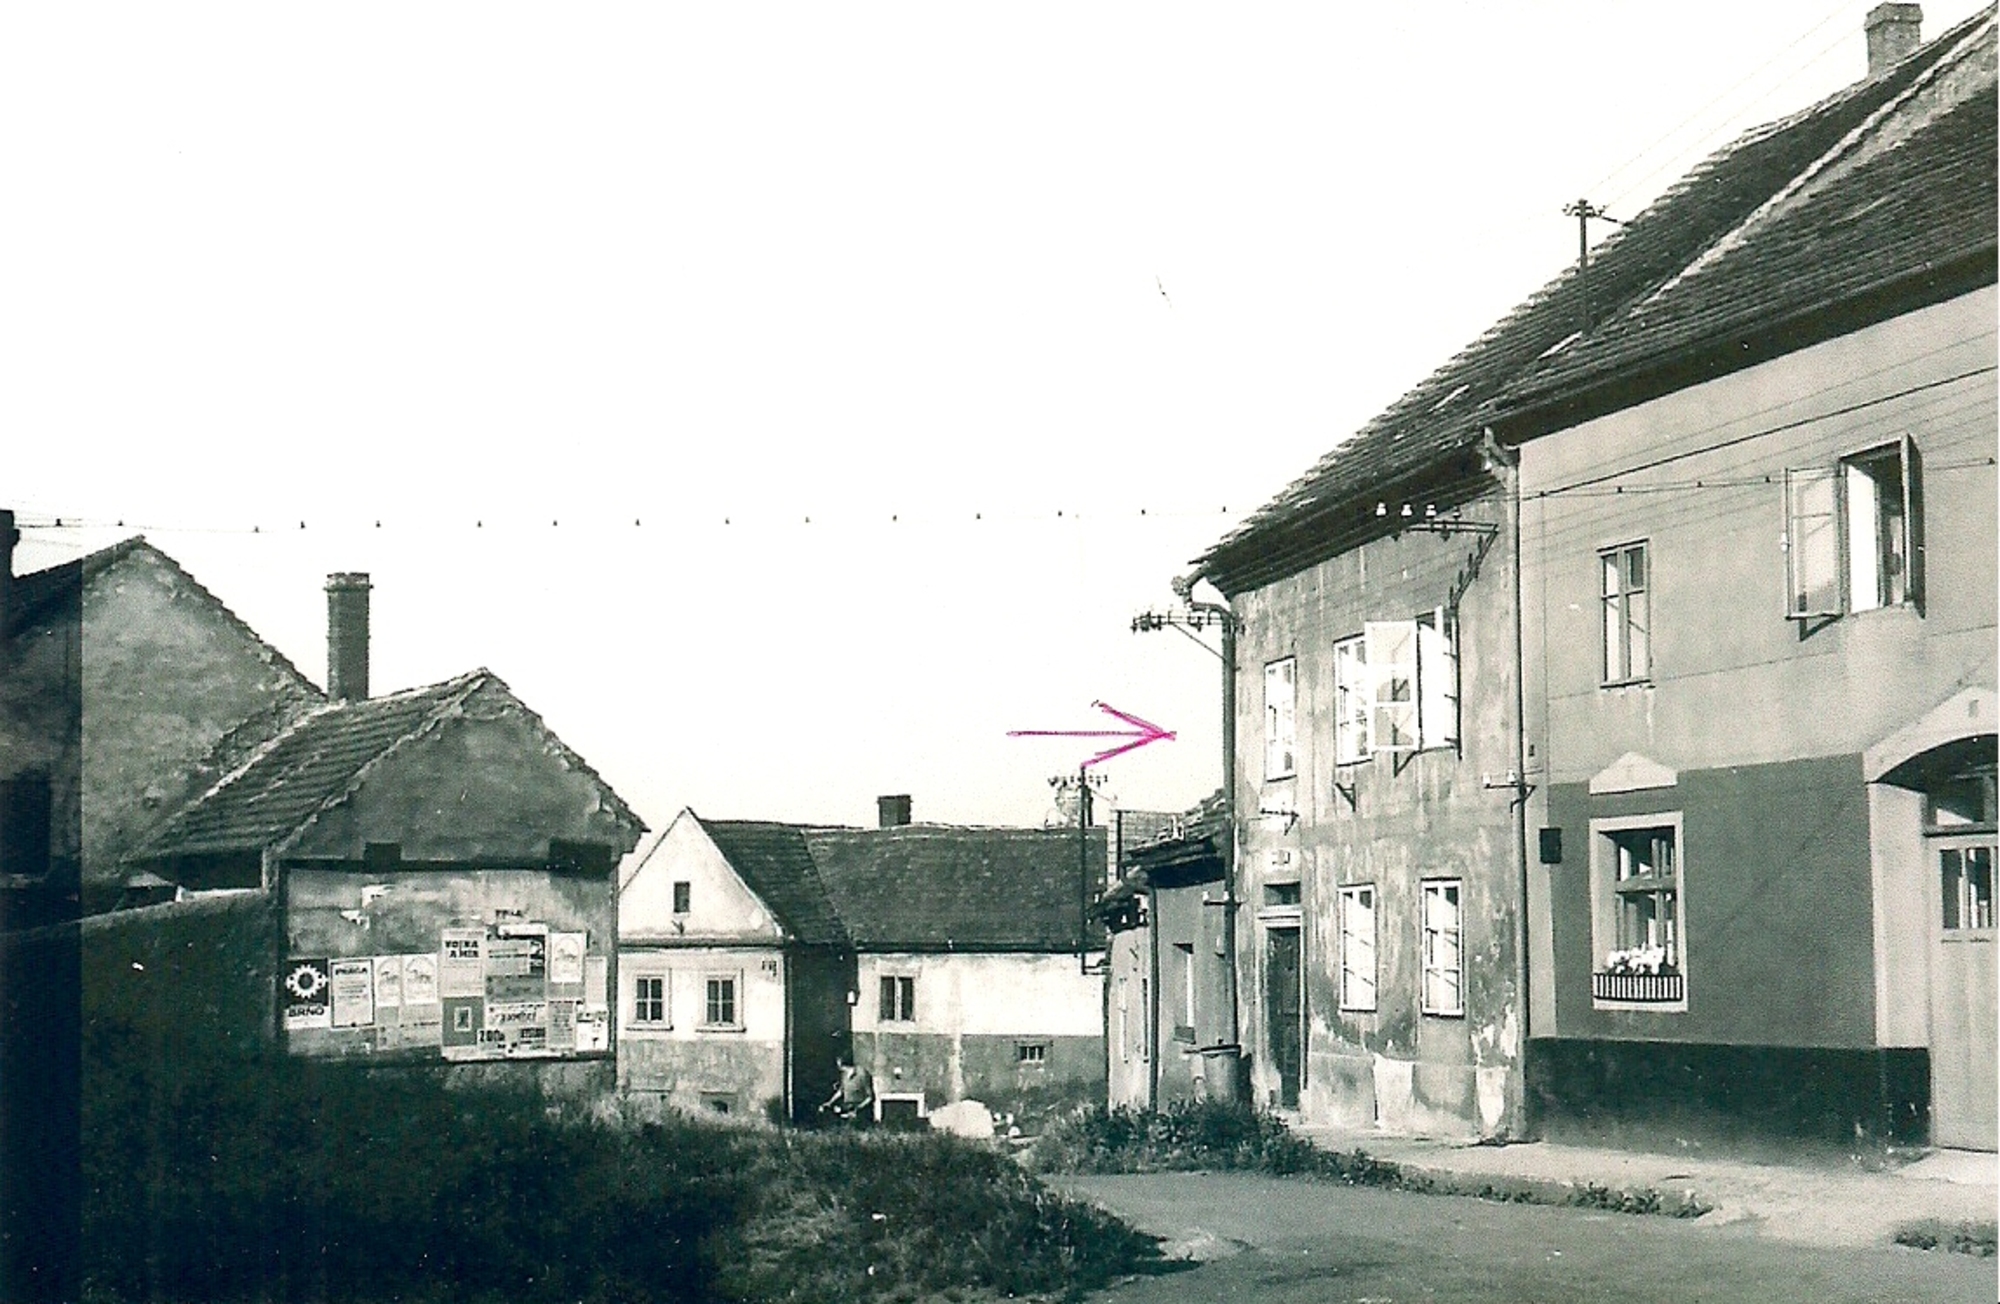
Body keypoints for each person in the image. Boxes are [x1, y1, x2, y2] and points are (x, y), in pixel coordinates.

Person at [822, 1053, 874, 1124]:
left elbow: (870, 1097)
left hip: (861, 1112)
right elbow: (841, 1090)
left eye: (838, 1061)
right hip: (847, 1108)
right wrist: (829, 1102)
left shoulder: (862, 1074)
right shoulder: (844, 1074)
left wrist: (857, 1109)